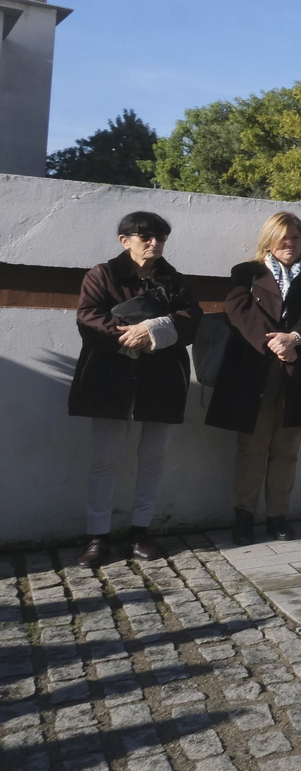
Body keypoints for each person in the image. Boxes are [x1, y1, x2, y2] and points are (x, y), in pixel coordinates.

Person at [68, 211, 202, 567]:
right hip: (109, 375)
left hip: (163, 376)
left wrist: (153, 330)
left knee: (153, 457)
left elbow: (192, 319)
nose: (155, 243)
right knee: (105, 458)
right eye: (146, 237)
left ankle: (140, 533)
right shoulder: (102, 274)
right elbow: (88, 317)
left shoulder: (174, 280)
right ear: (124, 240)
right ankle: (97, 536)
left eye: (161, 237)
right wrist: (131, 336)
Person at [207, 212, 301, 545]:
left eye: (296, 237)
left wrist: (295, 340)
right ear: (269, 240)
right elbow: (238, 311)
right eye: (283, 237)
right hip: (255, 372)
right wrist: (275, 345)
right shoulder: (247, 273)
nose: (290, 243)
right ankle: (244, 516)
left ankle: (278, 516)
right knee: (252, 448)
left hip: (300, 371)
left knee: (287, 449)